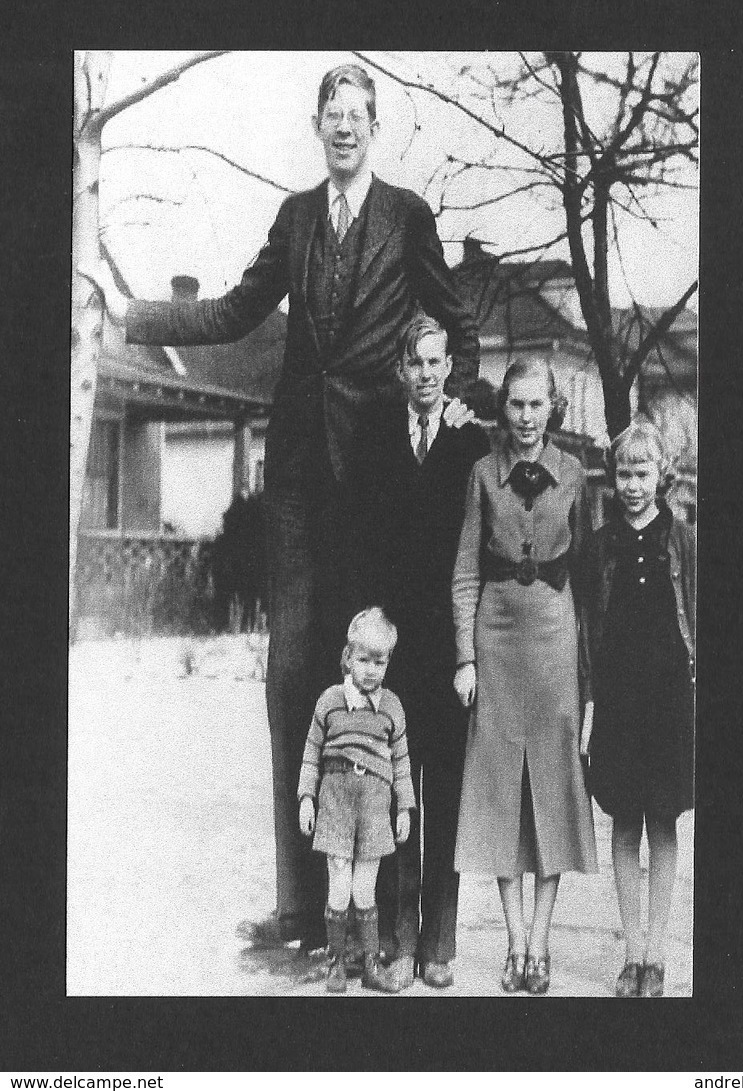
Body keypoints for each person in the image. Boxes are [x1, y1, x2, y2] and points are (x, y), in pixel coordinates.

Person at [85, 63, 479, 956]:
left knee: (386, 677)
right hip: (300, 470)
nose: (344, 127)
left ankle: (387, 911)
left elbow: (456, 324)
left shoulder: (409, 217)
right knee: (293, 677)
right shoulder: (297, 217)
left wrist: (460, 398)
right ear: (317, 126)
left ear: (375, 126)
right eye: (331, 115)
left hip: (380, 473)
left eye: (357, 114)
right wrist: (126, 318)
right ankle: (303, 909)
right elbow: (231, 311)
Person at [452, 356, 597, 995]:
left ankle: (541, 944)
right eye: (516, 404)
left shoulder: (575, 475)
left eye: (538, 405)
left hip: (555, 642)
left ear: (553, 408)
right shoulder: (483, 474)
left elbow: (592, 578)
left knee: (553, 793)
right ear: (503, 408)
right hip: (498, 639)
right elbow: (463, 571)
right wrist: (465, 656)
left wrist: (595, 674)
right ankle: (512, 943)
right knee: (501, 793)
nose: (527, 417)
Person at [353, 313, 489, 989]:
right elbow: (362, 534)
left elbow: (483, 546)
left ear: (449, 368)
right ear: (401, 370)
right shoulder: (377, 436)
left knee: (446, 794)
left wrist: (473, 650)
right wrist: (368, 625)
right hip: (394, 642)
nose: (429, 375)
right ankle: (397, 941)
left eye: (438, 363)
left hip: (450, 644)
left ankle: (439, 943)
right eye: (418, 364)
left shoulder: (470, 441)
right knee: (396, 793)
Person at [580, 419, 695, 998]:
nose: (632, 484)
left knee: (663, 823)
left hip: (670, 697)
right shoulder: (600, 545)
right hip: (621, 701)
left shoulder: (682, 538)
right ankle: (632, 952)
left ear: (662, 475)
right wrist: (592, 702)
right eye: (624, 472)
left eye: (643, 472)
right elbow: (586, 629)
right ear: (613, 474)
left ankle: (659, 954)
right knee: (625, 822)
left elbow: (697, 615)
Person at [297, 607, 414, 993]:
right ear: (348, 657)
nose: (370, 670)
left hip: (375, 806)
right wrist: (306, 800)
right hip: (335, 803)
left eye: (379, 662)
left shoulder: (392, 707)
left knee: (365, 889)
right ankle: (334, 963)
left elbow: (401, 763)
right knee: (338, 885)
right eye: (363, 660)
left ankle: (370, 965)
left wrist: (404, 808)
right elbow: (312, 752)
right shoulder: (329, 700)